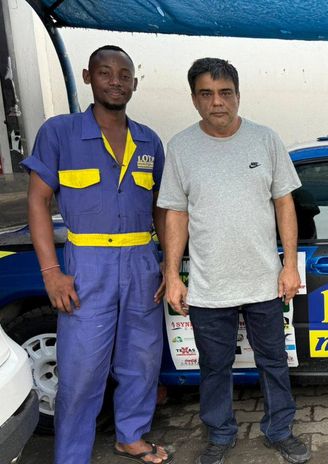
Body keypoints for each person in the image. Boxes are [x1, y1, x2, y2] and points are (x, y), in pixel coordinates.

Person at [22, 46, 172, 464]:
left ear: (134, 83)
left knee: (142, 359)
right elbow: (37, 201)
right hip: (88, 265)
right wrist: (51, 273)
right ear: (88, 77)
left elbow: (162, 206)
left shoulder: (149, 140)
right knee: (81, 368)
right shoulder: (60, 132)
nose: (115, 81)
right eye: (106, 73)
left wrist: (167, 261)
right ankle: (71, 456)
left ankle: (131, 436)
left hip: (141, 262)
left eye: (124, 75)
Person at [158, 58, 310, 464]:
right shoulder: (181, 148)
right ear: (194, 99)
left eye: (225, 93)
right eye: (206, 94)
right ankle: (220, 435)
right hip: (209, 286)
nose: (217, 102)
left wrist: (289, 265)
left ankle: (279, 431)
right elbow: (176, 214)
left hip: (264, 281)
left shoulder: (265, 140)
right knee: (214, 366)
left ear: (238, 95)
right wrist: (172, 274)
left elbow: (284, 203)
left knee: (273, 362)